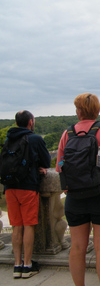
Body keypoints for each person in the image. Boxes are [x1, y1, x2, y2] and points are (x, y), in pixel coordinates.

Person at [56, 93, 100, 286]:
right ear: (98, 110)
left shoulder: (67, 134)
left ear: (78, 111)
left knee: (77, 247)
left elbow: (60, 168)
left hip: (75, 197)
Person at [3, 110, 50, 279]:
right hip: (28, 186)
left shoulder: (9, 139)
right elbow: (46, 162)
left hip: (9, 187)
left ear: (17, 123)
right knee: (28, 225)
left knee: (16, 226)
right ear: (30, 122)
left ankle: (17, 265)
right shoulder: (35, 139)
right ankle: (27, 265)